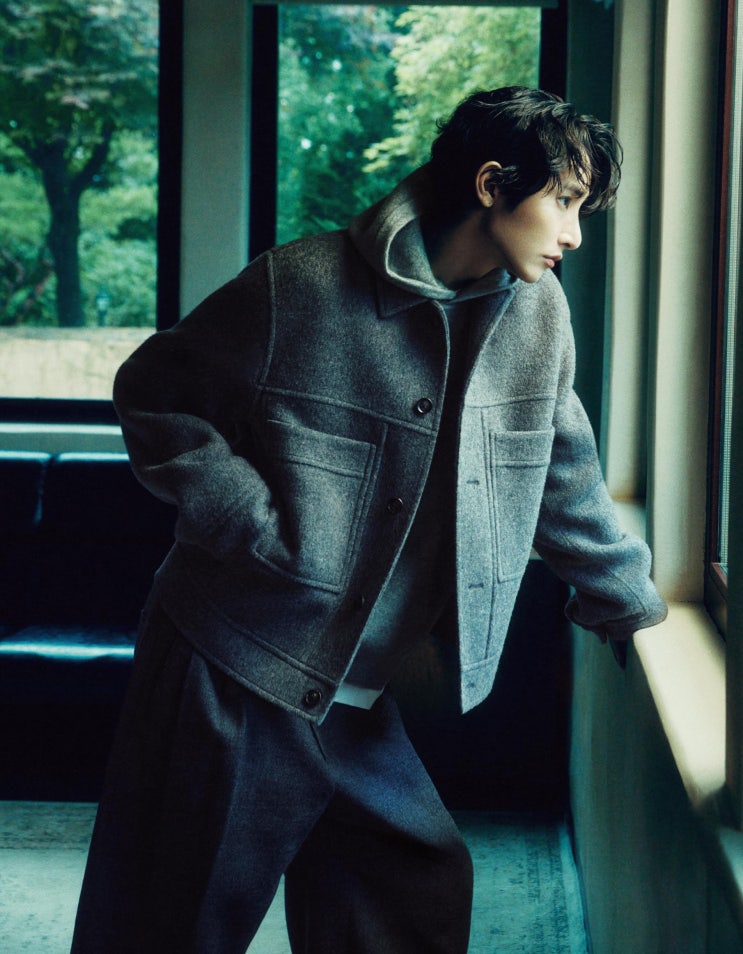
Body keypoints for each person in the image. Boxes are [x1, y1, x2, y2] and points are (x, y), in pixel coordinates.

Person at [71, 86, 667, 953]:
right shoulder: (299, 285)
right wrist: (253, 527)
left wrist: (624, 597)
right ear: (492, 184)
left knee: (411, 888)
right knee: (170, 922)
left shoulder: (538, 314)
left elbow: (559, 466)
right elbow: (154, 394)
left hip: (353, 691)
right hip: (233, 663)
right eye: (564, 202)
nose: (574, 234)